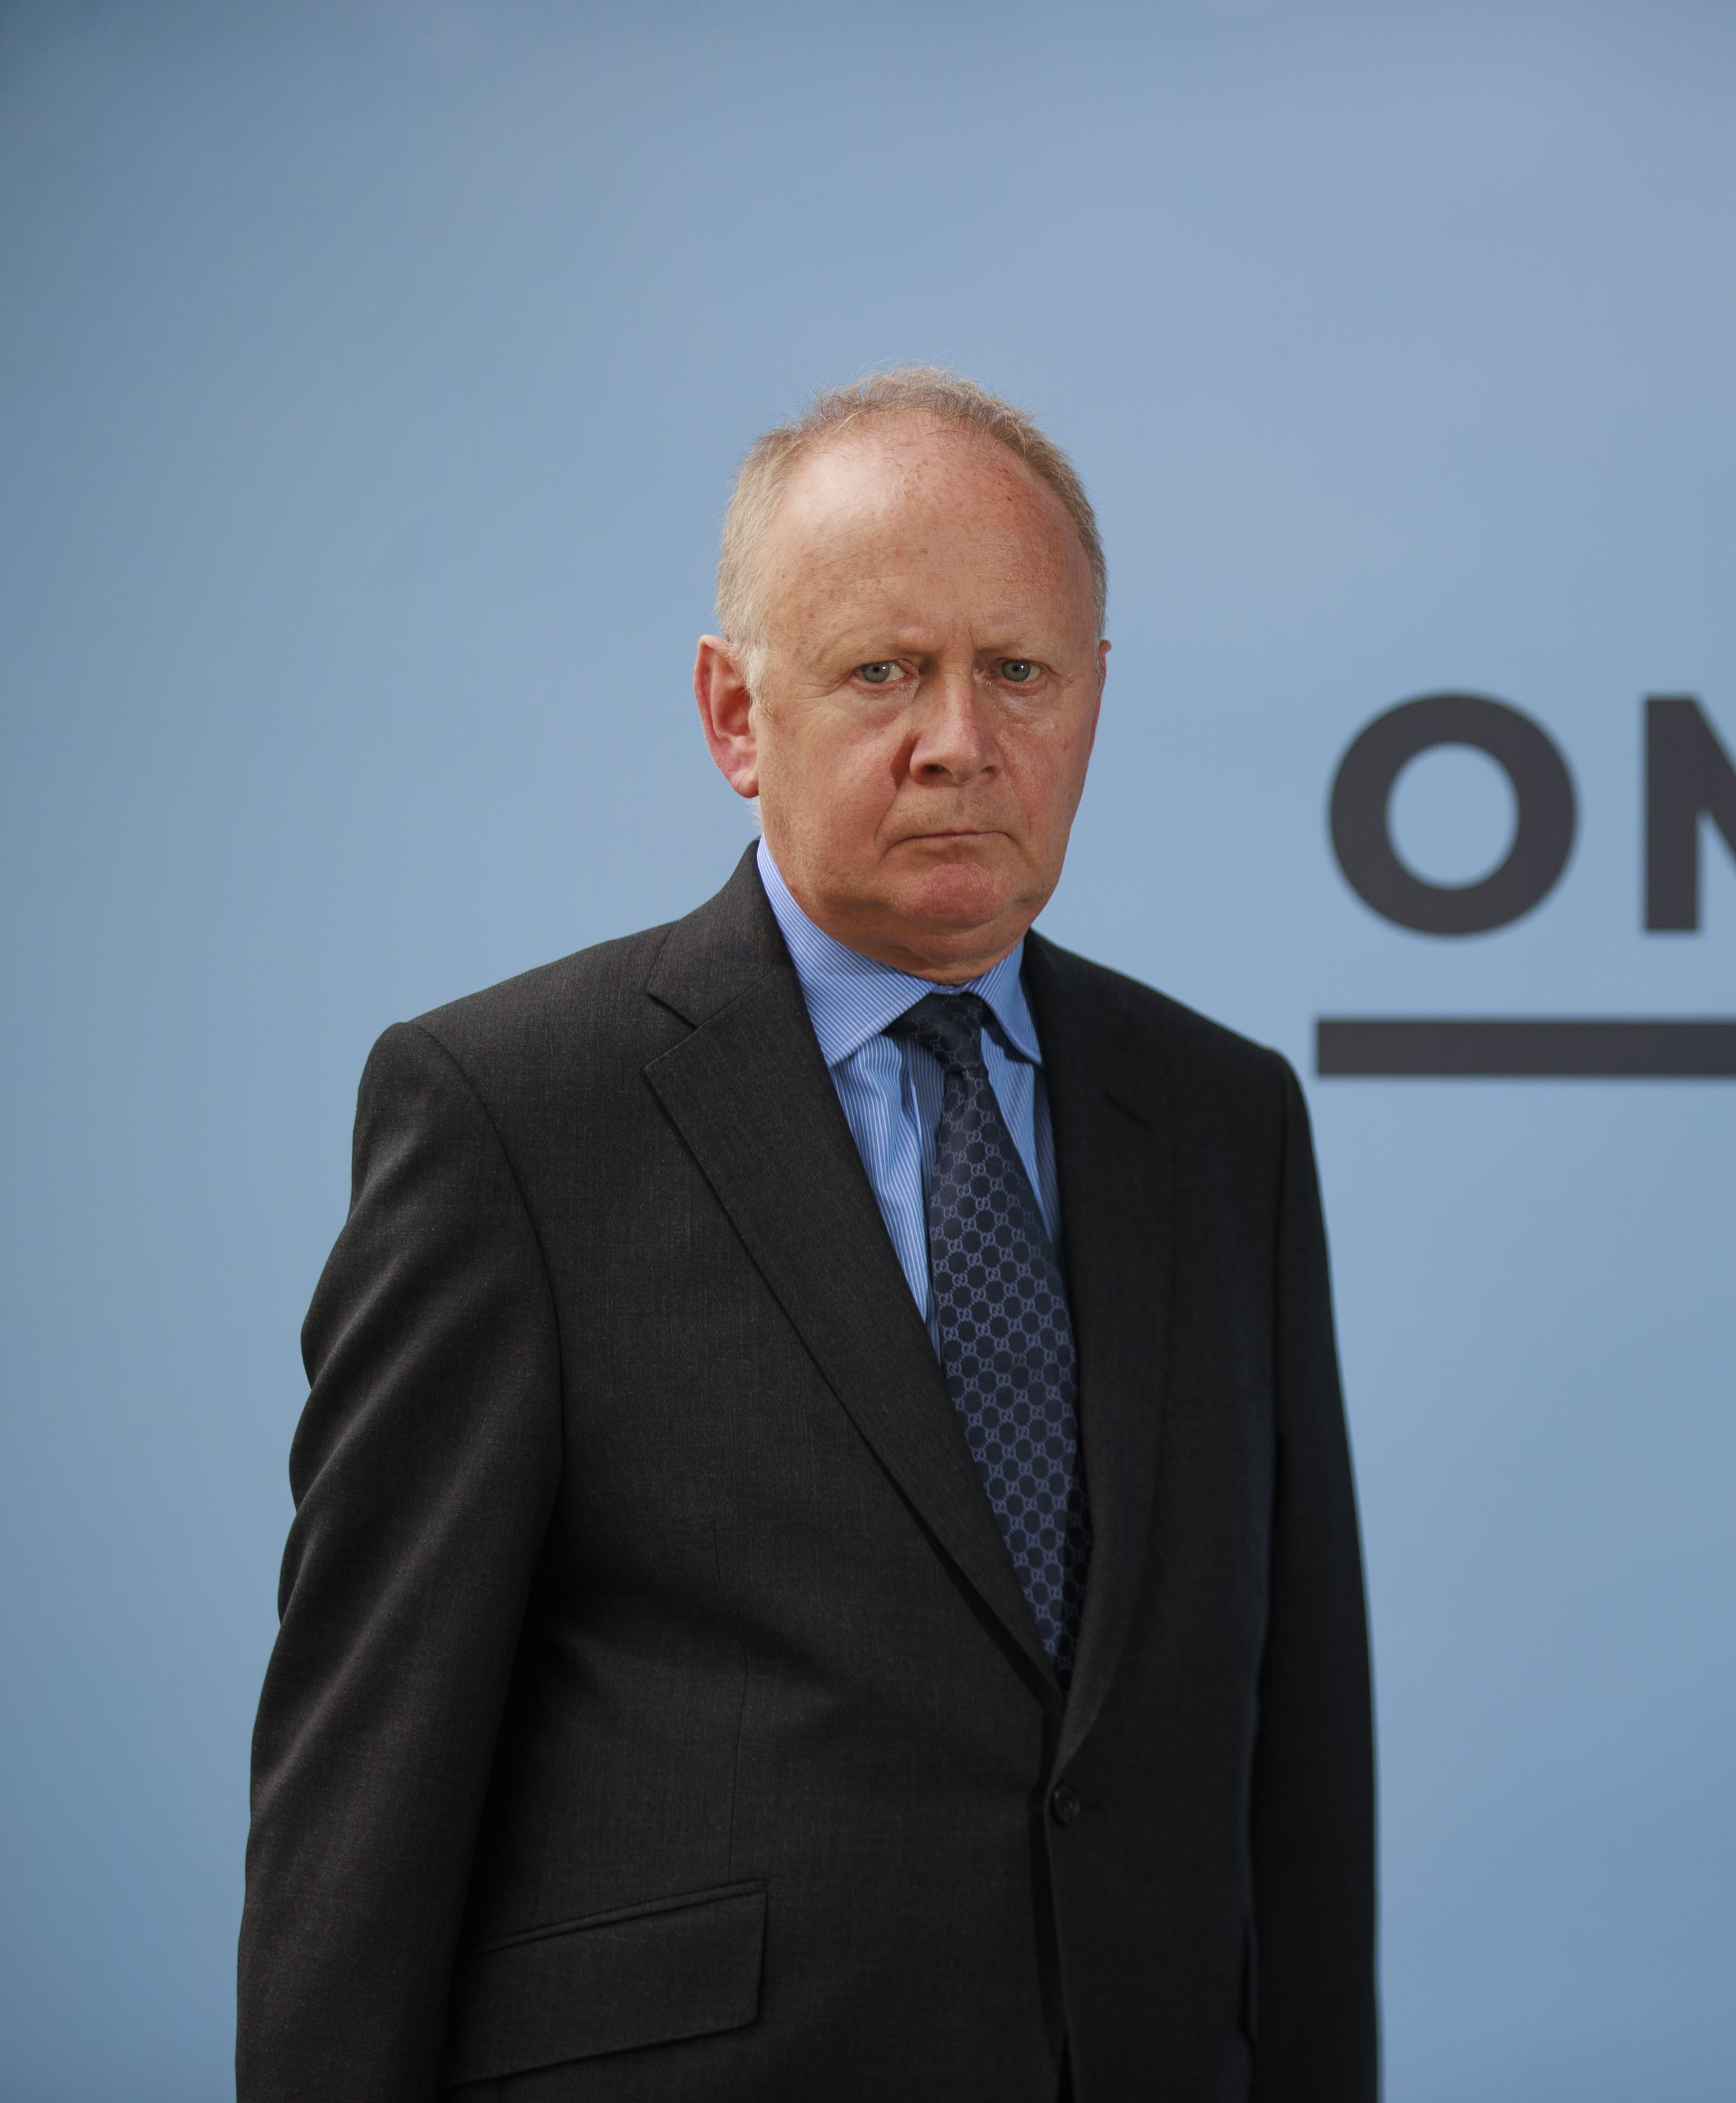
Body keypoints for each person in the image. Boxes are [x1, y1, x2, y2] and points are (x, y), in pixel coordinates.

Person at [238, 369, 1375, 2101]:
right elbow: (365, 1808)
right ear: (733, 714)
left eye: (1018, 672)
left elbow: (1294, 1771)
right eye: (880, 672)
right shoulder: (511, 1117)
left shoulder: (1225, 1123)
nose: (959, 741)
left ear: (1093, 702)